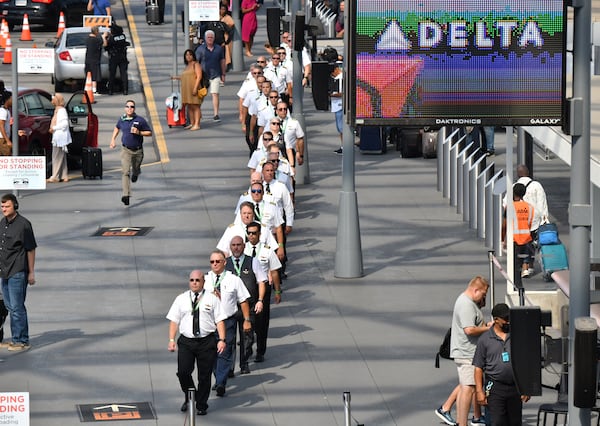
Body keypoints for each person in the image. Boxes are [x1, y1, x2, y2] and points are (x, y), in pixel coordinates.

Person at [166, 270, 227, 416]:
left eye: (197, 280)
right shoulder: (181, 299)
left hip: (206, 342)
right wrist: (171, 340)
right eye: (192, 280)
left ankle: (201, 405)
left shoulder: (212, 299)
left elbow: (220, 320)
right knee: (183, 372)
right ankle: (190, 394)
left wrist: (222, 340)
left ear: (203, 282)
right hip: (187, 342)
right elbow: (174, 320)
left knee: (204, 376)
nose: (194, 283)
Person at [203, 250, 251, 397]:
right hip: (209, 322)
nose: (215, 264)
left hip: (227, 320)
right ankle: (218, 376)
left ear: (225, 262)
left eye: (218, 261)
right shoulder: (205, 279)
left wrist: (247, 320)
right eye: (212, 262)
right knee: (211, 353)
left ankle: (220, 383)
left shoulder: (234, 279)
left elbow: (243, 300)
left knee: (225, 352)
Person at [474, 303, 530, 425]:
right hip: (494, 387)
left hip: (515, 387)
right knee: (497, 422)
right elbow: (478, 367)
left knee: (515, 422)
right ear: (496, 320)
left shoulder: (517, 335)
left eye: (510, 318)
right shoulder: (485, 339)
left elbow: (525, 361)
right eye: (505, 319)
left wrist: (526, 387)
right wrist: (479, 391)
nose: (508, 321)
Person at [450, 276, 491, 426]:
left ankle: (462, 422)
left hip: (467, 352)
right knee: (468, 388)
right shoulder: (466, 305)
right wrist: (488, 328)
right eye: (483, 294)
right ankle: (463, 423)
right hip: (467, 353)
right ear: (476, 290)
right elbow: (469, 329)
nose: (483, 298)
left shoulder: (467, 302)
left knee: (464, 388)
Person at [0, 193, 37, 352]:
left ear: (15, 206)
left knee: (17, 307)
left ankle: (21, 340)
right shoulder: (2, 223)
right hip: (4, 271)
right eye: (2, 206)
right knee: (9, 306)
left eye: (7, 206)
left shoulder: (24, 225)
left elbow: (31, 249)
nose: (4, 209)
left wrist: (31, 272)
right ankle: (17, 337)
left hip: (17, 271)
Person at [225, 236, 266, 374]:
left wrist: (260, 300)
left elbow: (261, 281)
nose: (236, 247)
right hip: (230, 307)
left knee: (247, 337)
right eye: (233, 245)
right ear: (230, 247)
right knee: (229, 339)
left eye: (239, 245)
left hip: (248, 306)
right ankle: (229, 368)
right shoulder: (224, 263)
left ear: (244, 246)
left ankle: (244, 363)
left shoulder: (253, 261)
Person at [244, 221, 281, 362]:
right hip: (247, 291)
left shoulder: (267, 250)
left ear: (259, 234)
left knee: (262, 323)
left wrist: (277, 291)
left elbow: (275, 271)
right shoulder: (243, 250)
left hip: (263, 290)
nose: (251, 235)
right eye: (249, 233)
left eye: (254, 233)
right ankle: (247, 350)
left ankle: (260, 351)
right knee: (247, 321)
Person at [109, 100, 153, 206]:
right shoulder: (122, 119)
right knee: (125, 172)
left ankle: (136, 172)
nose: (129, 108)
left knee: (135, 168)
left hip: (137, 151)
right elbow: (117, 127)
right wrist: (112, 140)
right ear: (125, 108)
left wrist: (139, 132)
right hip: (126, 150)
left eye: (132, 107)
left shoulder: (140, 120)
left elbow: (149, 132)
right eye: (127, 106)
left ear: (134, 109)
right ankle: (126, 195)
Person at [503, 183, 535, 279]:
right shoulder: (529, 207)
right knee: (525, 253)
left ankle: (516, 273)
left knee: (514, 257)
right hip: (526, 236)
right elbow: (529, 223)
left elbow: (504, 224)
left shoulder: (509, 207)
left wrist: (503, 238)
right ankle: (525, 268)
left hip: (513, 238)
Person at [195, 30, 226, 122]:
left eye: (211, 37)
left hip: (215, 75)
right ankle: (198, 112)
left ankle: (216, 114)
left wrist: (223, 74)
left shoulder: (219, 49)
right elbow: (196, 63)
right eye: (208, 37)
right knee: (201, 95)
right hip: (204, 76)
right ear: (205, 38)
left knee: (215, 94)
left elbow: (222, 61)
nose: (210, 39)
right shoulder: (200, 49)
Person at [514, 164, 549, 242]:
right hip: (534, 223)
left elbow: (505, 203)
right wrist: (544, 220)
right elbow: (542, 204)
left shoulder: (513, 187)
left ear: (518, 174)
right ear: (528, 173)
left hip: (518, 223)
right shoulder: (537, 185)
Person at [47, 93, 72, 183]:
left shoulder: (61, 111)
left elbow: (64, 124)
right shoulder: (58, 110)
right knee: (62, 157)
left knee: (56, 157)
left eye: (53, 99)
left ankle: (55, 176)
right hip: (59, 137)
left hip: (60, 137)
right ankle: (64, 175)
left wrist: (53, 128)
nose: (52, 101)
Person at [178, 49, 203, 131]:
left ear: (193, 56)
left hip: (193, 88)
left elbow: (199, 76)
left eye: (190, 55)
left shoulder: (195, 64)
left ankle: (197, 124)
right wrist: (175, 77)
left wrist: (195, 88)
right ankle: (192, 123)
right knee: (189, 106)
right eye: (186, 55)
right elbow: (184, 77)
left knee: (195, 106)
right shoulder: (187, 66)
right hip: (186, 89)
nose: (188, 56)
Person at [104, 22, 130, 96]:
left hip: (114, 58)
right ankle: (125, 90)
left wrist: (106, 38)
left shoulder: (112, 38)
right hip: (123, 57)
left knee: (112, 74)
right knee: (124, 74)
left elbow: (106, 47)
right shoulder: (123, 36)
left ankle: (110, 90)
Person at [85, 26, 106, 95]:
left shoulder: (88, 39)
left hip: (87, 60)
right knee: (95, 76)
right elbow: (105, 44)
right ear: (97, 31)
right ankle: (94, 90)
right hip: (95, 60)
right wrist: (103, 37)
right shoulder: (97, 40)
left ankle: (87, 89)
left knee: (89, 75)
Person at [329, 59, 343, 154]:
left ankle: (344, 146)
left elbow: (342, 93)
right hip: (336, 105)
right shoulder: (336, 78)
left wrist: (331, 95)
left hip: (340, 105)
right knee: (339, 128)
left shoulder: (341, 78)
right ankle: (343, 146)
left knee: (341, 128)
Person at [0, 91, 13, 156]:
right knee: (7, 158)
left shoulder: (7, 111)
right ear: (7, 100)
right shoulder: (3, 111)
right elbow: (1, 126)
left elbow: (7, 126)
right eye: (11, 99)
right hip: (2, 139)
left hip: (4, 138)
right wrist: (7, 141)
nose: (13, 100)